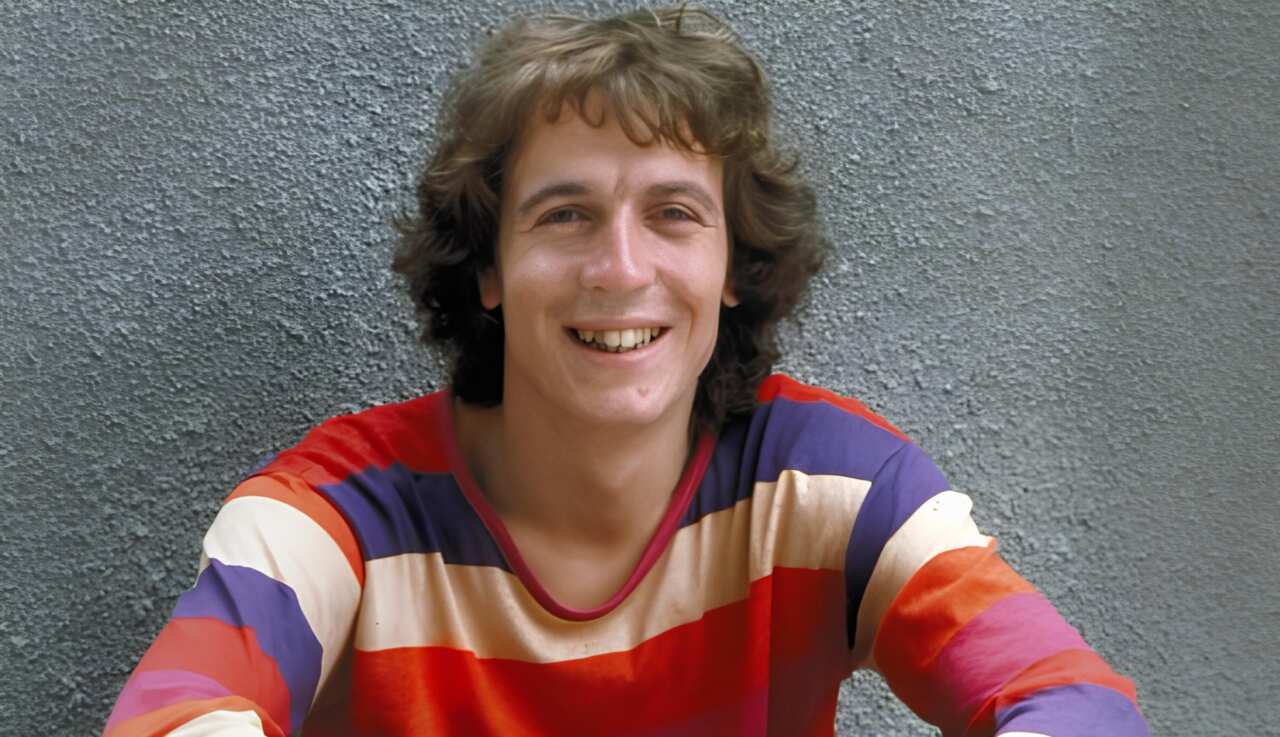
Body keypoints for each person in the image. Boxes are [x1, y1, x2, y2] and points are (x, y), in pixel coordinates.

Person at [103, 6, 1151, 736]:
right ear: (489, 270)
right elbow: (176, 713)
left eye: (672, 213)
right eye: (565, 214)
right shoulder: (341, 513)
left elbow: (1072, 700)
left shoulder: (827, 487)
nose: (619, 267)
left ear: (731, 268)